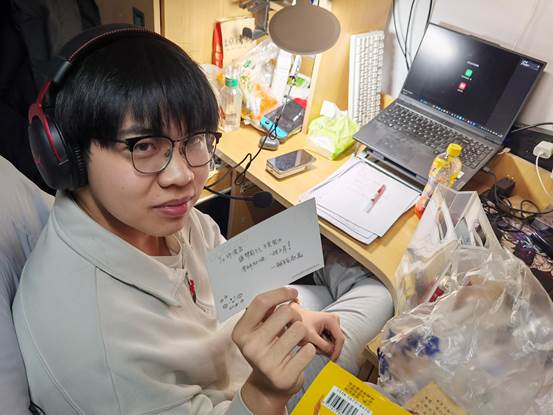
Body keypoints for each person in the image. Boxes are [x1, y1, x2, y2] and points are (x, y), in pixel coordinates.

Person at [13, 25, 392, 415]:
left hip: (240, 345)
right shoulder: (101, 360)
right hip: (251, 392)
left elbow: (227, 275)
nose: (183, 176)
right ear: (67, 154)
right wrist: (265, 393)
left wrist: (291, 318)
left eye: (195, 139)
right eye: (144, 145)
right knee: (377, 291)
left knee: (338, 293)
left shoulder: (147, 215)